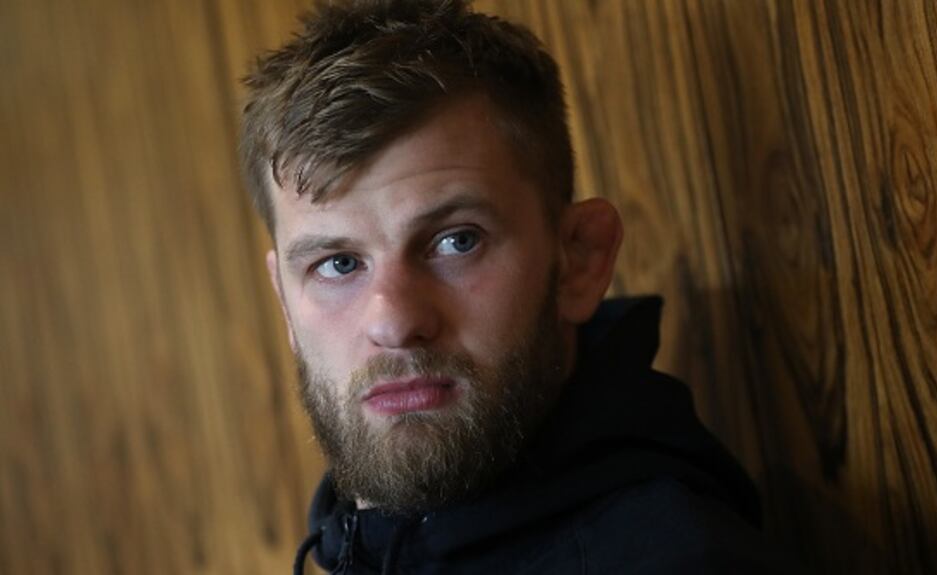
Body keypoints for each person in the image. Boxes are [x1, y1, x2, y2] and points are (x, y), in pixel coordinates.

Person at [239, 1, 785, 573]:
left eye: (456, 241)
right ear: (285, 303)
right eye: (338, 264)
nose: (393, 322)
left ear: (579, 259)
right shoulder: (357, 546)